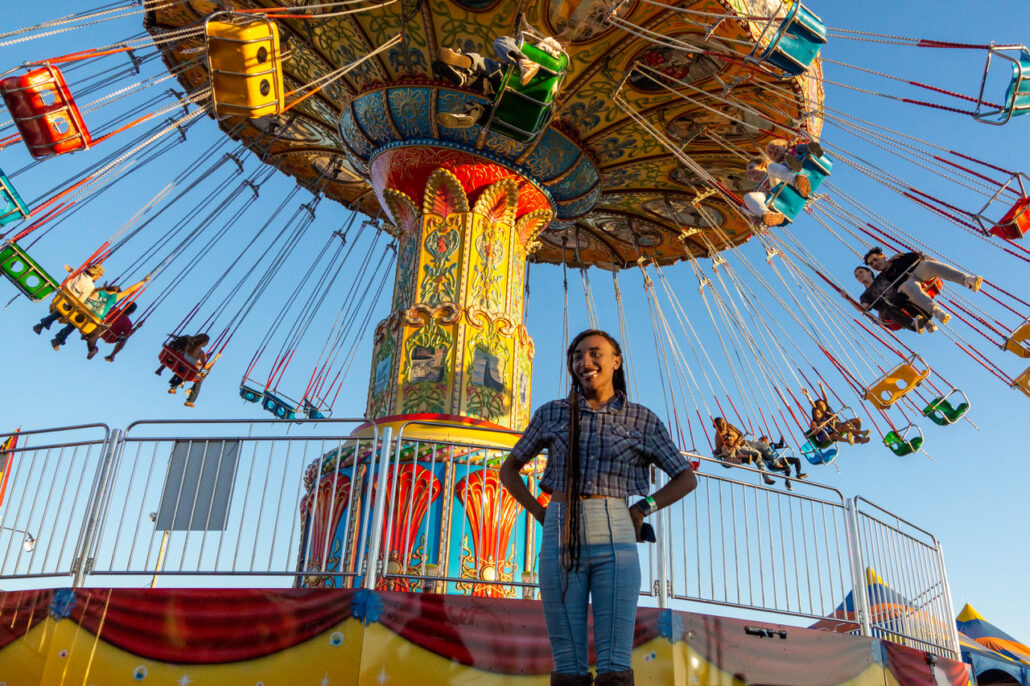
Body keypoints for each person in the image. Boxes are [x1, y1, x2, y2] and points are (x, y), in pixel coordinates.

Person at [499, 329, 697, 686]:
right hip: (561, 528)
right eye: (576, 356)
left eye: (595, 353)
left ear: (616, 362)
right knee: (567, 659)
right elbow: (509, 469)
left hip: (616, 532)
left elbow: (685, 477)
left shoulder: (642, 420)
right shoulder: (552, 413)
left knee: (614, 661)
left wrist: (642, 509)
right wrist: (540, 512)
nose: (584, 362)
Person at [435, 34, 564, 129]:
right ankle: (471, 114)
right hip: (510, 104)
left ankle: (467, 65)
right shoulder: (548, 97)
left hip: (510, 79)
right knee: (486, 111)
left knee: (500, 43)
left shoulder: (544, 62)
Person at [863, 247, 982, 325]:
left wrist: (920, 256)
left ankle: (967, 280)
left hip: (918, 272)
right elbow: (874, 293)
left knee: (927, 265)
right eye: (872, 264)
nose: (875, 264)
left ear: (883, 256)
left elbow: (920, 258)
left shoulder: (899, 258)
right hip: (909, 285)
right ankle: (937, 312)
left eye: (875, 259)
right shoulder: (882, 279)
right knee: (907, 286)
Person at [32, 264, 104, 349]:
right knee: (76, 321)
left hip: (62, 300)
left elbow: (65, 282)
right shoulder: (90, 286)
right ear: (97, 275)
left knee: (61, 312)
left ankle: (43, 324)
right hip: (70, 306)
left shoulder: (77, 274)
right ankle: (59, 338)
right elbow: (81, 301)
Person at [853, 265, 935, 334]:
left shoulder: (882, 277)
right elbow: (863, 307)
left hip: (897, 300)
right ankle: (914, 325)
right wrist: (848, 299)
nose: (859, 276)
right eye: (856, 276)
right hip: (886, 312)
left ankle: (926, 321)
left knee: (903, 296)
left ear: (869, 272)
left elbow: (890, 265)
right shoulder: (865, 295)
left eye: (861, 272)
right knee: (889, 309)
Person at [742, 156, 812, 227]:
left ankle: (798, 182)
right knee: (747, 196)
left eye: (751, 167)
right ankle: (766, 214)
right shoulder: (757, 190)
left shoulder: (775, 167)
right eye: (747, 174)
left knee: (771, 167)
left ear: (762, 165)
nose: (749, 172)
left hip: (781, 183)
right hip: (770, 196)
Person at [712, 417, 777, 486]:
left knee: (758, 453)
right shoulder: (718, 438)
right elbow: (721, 454)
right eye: (720, 425)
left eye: (723, 423)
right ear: (717, 427)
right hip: (734, 452)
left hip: (741, 444)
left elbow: (740, 434)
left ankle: (767, 476)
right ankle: (745, 458)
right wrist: (730, 447)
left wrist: (736, 442)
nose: (723, 426)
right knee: (736, 454)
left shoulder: (729, 426)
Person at [801, 383, 870, 445]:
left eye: (823, 404)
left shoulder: (828, 409)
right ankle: (861, 435)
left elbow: (825, 398)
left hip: (839, 423)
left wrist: (822, 388)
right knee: (846, 427)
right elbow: (814, 407)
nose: (822, 406)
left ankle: (858, 438)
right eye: (820, 405)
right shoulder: (822, 416)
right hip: (835, 428)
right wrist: (807, 395)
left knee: (858, 420)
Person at [161, 334, 210, 408]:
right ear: (203, 342)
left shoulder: (188, 346)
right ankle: (189, 401)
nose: (207, 344)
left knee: (184, 372)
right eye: (207, 343)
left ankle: (173, 388)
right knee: (199, 380)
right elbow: (204, 366)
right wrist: (208, 366)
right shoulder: (201, 353)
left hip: (179, 367)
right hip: (186, 372)